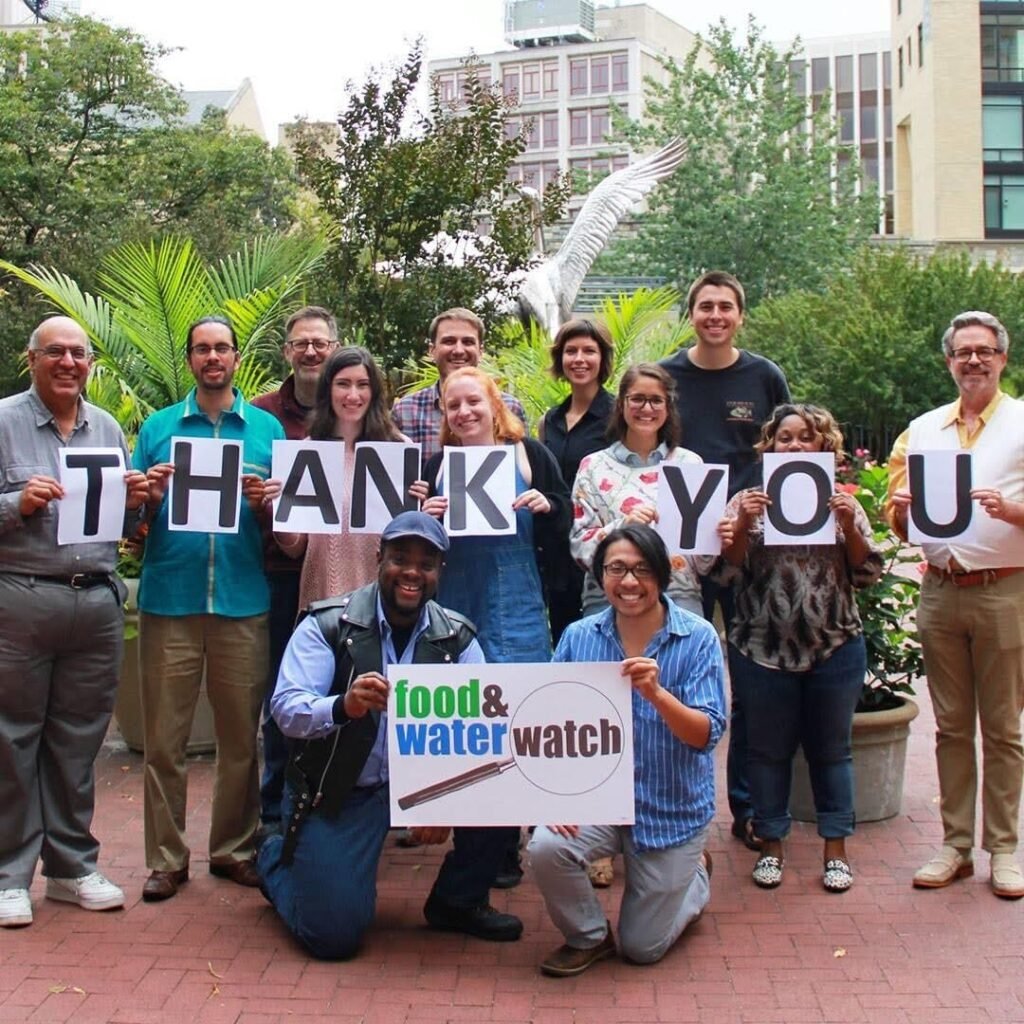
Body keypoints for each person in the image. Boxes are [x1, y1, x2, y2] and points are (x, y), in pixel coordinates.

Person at [258, 511, 524, 958]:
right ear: (379, 559)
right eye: (401, 558)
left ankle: (456, 901)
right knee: (333, 936)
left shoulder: (458, 638)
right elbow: (285, 709)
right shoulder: (326, 625)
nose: (412, 573)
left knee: (504, 781)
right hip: (342, 789)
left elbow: (487, 729)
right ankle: (273, 858)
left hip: (417, 788)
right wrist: (344, 705)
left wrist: (447, 802)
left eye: (426, 563)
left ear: (440, 571)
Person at [0, 316, 149, 928]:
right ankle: (10, 874)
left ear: (90, 363)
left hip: (95, 600)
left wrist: (136, 500)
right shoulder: (5, 421)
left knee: (79, 738)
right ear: (31, 359)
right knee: (12, 738)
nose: (68, 362)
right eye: (54, 352)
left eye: (78, 353)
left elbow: (115, 522)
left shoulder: (106, 427)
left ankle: (69, 867)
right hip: (22, 596)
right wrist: (15, 503)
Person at [528, 524, 725, 976]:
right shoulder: (579, 636)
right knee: (544, 847)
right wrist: (553, 794)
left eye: (641, 569)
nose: (629, 582)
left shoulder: (697, 638)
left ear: (661, 574)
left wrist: (658, 694)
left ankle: (693, 879)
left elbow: (705, 734)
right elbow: (549, 717)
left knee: (642, 948)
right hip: (597, 799)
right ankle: (589, 936)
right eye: (616, 568)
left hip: (669, 809)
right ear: (600, 576)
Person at [133, 315, 285, 901]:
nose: (213, 357)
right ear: (191, 359)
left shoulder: (268, 430)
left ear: (237, 358)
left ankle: (233, 849)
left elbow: (292, 523)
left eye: (222, 348)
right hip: (171, 596)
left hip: (243, 600)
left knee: (241, 739)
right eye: (202, 349)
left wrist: (269, 502)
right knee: (164, 741)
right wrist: (144, 497)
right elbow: (131, 525)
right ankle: (166, 859)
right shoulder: (159, 427)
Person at [886, 311, 1024, 899]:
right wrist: (901, 506)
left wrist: (1011, 512)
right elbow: (897, 524)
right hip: (940, 590)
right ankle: (955, 845)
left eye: (984, 351)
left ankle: (1007, 848)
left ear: (1002, 358)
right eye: (963, 352)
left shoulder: (1022, 424)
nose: (974, 360)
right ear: (948, 362)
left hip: (1005, 588)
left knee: (1003, 727)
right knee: (948, 727)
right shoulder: (921, 430)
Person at [715, 404, 882, 892]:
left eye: (806, 437)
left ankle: (836, 850)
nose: (794, 446)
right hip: (760, 647)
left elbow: (866, 573)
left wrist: (849, 526)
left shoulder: (842, 501)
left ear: (824, 445)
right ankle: (770, 845)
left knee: (833, 751)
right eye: (784, 438)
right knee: (766, 753)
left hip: (834, 644)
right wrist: (741, 526)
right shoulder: (747, 500)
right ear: (770, 445)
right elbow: (725, 572)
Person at [419, 366, 572, 885]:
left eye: (473, 402)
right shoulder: (439, 466)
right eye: (452, 405)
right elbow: (414, 544)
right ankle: (477, 841)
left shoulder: (531, 456)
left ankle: (512, 838)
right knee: (467, 723)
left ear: (494, 404)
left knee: (519, 719)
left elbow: (566, 518)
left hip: (517, 603)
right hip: (457, 601)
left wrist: (547, 506)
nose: (464, 412)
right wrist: (426, 515)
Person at [660, 270, 791, 854]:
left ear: (740, 315)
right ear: (692, 314)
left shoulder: (764, 376)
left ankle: (747, 809)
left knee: (749, 680)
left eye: (726, 307)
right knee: (671, 676)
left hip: (746, 549)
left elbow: (792, 451)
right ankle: (663, 802)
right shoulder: (667, 375)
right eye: (705, 306)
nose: (715, 315)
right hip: (681, 551)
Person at [251, 306, 339, 835]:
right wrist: (264, 499)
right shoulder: (262, 418)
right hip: (282, 573)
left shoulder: (356, 410)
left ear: (333, 349)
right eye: (301, 343)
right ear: (287, 351)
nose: (311, 351)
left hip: (342, 576)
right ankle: (276, 808)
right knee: (284, 693)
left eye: (320, 343)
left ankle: (341, 801)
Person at [275, 346, 406, 610]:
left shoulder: (399, 449)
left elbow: (406, 537)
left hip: (382, 602)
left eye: (363, 384)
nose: (353, 395)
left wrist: (419, 508)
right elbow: (294, 548)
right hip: (321, 597)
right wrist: (278, 505)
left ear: (375, 392)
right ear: (328, 390)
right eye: (343, 384)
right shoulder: (308, 450)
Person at [570, 363, 704, 618]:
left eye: (656, 400)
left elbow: (704, 563)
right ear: (621, 404)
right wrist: (622, 527)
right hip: (608, 600)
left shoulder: (690, 465)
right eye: (638, 399)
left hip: (678, 598)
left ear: (668, 406)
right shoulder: (593, 467)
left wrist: (718, 535)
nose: (646, 408)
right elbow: (580, 549)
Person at [537, 318, 616, 644]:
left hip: (601, 547)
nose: (579, 359)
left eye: (589, 351)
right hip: (557, 549)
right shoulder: (548, 421)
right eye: (571, 351)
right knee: (567, 639)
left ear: (603, 358)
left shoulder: (618, 417)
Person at [392, 308, 526, 460]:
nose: (458, 350)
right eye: (449, 341)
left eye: (468, 342)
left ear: (480, 351)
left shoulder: (510, 407)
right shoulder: (405, 411)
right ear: (432, 351)